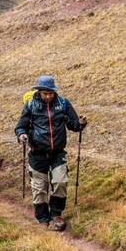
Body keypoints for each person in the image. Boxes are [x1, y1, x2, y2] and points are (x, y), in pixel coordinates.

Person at [14, 75, 87, 231]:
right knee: (39, 188)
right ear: (39, 91)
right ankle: (42, 218)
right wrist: (21, 135)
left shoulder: (63, 104)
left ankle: (56, 214)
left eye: (51, 93)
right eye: (45, 93)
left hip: (58, 153)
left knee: (60, 182)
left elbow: (74, 125)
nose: (48, 96)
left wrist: (81, 123)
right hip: (37, 153)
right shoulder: (30, 105)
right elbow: (21, 126)